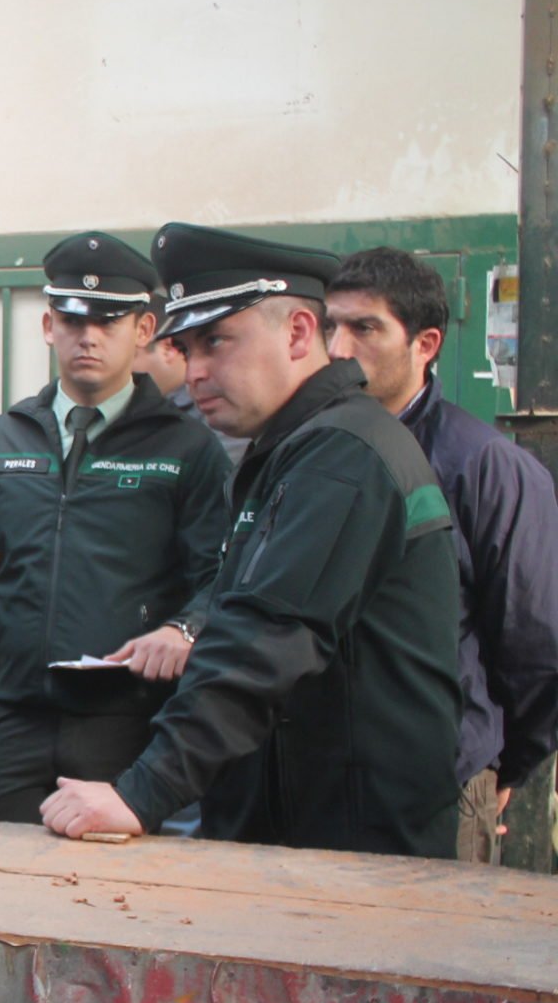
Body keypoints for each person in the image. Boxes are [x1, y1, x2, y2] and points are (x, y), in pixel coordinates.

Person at [41, 224, 462, 856]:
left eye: (217, 341)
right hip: (293, 831)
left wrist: (144, 790)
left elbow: (265, 641)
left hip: (348, 853)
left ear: (297, 332)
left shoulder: (341, 457)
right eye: (186, 347)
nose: (196, 371)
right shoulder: (289, 453)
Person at [0, 232, 232, 824]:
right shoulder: (1, 442)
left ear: (144, 330)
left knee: (119, 902)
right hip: (17, 720)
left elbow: (225, 576)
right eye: (72, 319)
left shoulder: (187, 449)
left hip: (131, 726)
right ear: (48, 326)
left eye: (109, 320)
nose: (88, 336)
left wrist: (186, 628)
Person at [325, 247, 558, 862]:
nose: (338, 350)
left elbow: (535, 640)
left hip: (440, 782)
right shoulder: (318, 449)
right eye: (331, 326)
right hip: (325, 777)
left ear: (426, 343)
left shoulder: (483, 465)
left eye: (365, 328)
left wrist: (500, 764)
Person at [134, 331, 247, 464]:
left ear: (167, 348)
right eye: (186, 351)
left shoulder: (217, 404)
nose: (192, 375)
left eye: (130, 356)